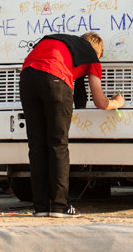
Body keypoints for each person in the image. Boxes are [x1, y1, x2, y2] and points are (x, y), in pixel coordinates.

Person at [19, 32, 124, 218]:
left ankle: (40, 207)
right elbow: (100, 102)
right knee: (58, 145)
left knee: (36, 145)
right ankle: (59, 206)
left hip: (27, 77)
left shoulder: (64, 43)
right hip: (55, 80)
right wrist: (117, 102)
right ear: (98, 52)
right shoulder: (91, 56)